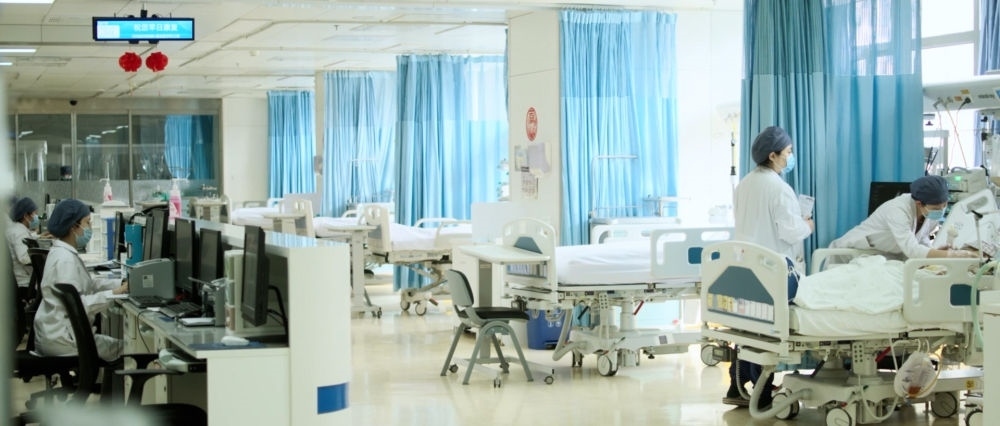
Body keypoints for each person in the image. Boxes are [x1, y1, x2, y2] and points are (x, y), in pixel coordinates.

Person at [725, 126, 815, 409]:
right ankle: (761, 394)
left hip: (746, 269)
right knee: (766, 334)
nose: (790, 156)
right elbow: (790, 231)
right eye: (788, 152)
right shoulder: (779, 188)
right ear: (773, 155)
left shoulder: (745, 184)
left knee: (749, 331)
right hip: (772, 272)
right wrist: (807, 225)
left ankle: (737, 385)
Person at [34, 199, 128, 362]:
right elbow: (79, 305)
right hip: (66, 339)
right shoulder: (65, 260)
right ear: (74, 227)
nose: (90, 227)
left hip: (58, 332)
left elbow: (88, 284)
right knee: (131, 349)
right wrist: (114, 294)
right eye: (87, 222)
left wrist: (119, 284)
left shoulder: (61, 252)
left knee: (122, 346)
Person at [829, 175, 977, 259]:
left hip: (883, 257)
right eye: (936, 208)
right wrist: (951, 255)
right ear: (919, 203)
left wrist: (938, 250)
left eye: (944, 206)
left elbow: (921, 240)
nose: (941, 211)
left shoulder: (929, 212)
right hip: (853, 254)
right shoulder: (897, 210)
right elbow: (912, 249)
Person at [6, 197, 40, 300]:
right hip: (25, 283)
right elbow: (24, 258)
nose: (36, 217)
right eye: (34, 214)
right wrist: (43, 258)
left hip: (23, 279)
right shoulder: (18, 232)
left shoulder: (18, 229)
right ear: (25, 216)